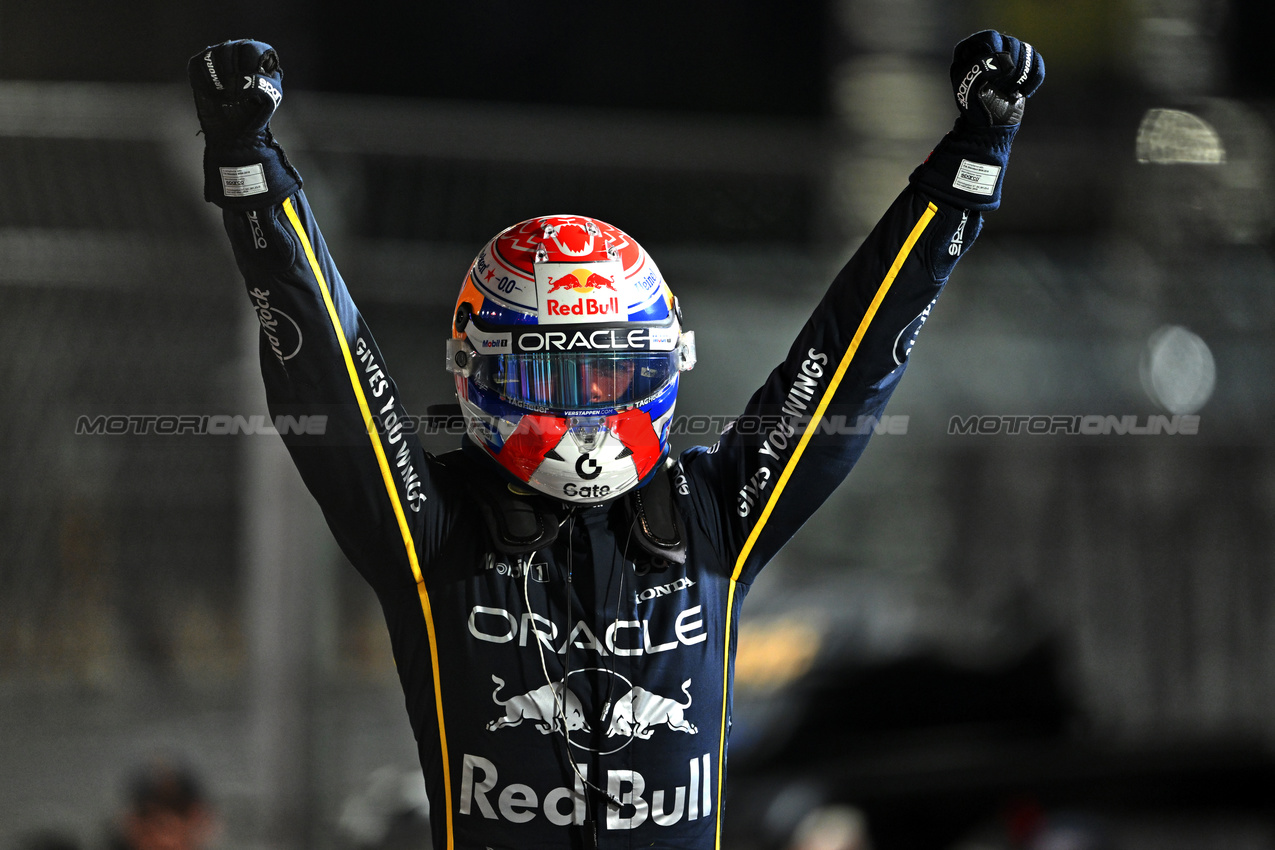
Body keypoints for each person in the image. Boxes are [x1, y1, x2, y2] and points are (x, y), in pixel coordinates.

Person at [188, 30, 1043, 850]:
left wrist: (968, 168)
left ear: (665, 366)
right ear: (474, 373)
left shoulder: (715, 514)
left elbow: (847, 358)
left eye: (609, 376)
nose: (584, 412)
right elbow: (335, 379)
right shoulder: (432, 530)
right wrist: (252, 177)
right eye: (549, 379)